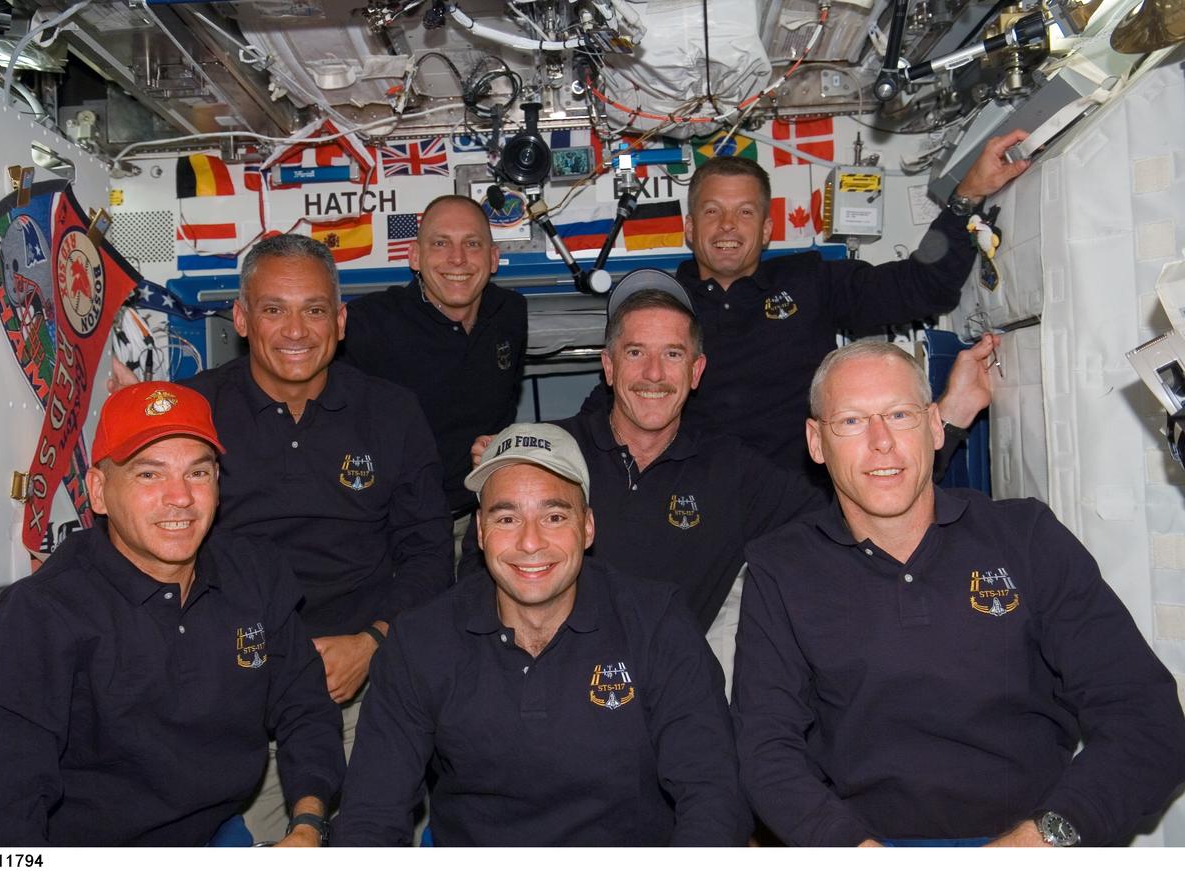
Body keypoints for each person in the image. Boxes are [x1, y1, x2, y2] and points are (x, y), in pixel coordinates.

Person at [731, 341, 1185, 846]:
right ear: (817, 442)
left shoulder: (1026, 537)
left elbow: (1146, 717)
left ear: (933, 425)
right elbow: (767, 750)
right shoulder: (782, 568)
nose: (881, 442)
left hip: (1033, 839)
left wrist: (1041, 840)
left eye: (899, 414)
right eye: (852, 422)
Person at [462, 270, 1000, 693]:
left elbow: (862, 499)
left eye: (672, 354)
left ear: (695, 372)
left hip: (657, 705)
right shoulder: (545, 454)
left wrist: (945, 418)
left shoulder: (733, 472)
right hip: (532, 685)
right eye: (635, 353)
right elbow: (475, 580)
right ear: (607, 366)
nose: (654, 374)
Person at [0, 382, 344, 846]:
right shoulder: (42, 615)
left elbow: (306, 706)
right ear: (99, 490)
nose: (180, 497)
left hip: (215, 831)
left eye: (198, 472)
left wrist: (308, 825)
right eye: (149, 475)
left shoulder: (254, 572)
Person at [332, 423, 746, 846]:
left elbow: (712, 791)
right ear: (479, 531)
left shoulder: (656, 623)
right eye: (507, 517)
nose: (531, 542)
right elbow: (371, 814)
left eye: (553, 516)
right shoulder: (421, 641)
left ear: (587, 527)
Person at [184, 233, 451, 840]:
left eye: (315, 309)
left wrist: (373, 641)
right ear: (242, 318)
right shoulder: (194, 411)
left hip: (363, 683)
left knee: (374, 834)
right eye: (274, 309)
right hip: (236, 691)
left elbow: (431, 556)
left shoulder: (392, 412)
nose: (296, 329)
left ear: (341, 319)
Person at [584, 131, 1030, 480]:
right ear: (689, 226)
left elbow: (920, 286)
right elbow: (603, 410)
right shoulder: (658, 310)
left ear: (766, 229)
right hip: (699, 518)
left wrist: (965, 200)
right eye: (712, 211)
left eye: (744, 213)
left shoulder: (809, 279)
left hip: (805, 512)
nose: (727, 226)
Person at [340, 195, 527, 563]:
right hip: (393, 531)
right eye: (440, 243)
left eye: (472, 244)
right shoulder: (368, 323)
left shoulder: (510, 314)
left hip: (477, 521)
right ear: (414, 257)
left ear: (492, 258)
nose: (457, 259)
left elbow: (504, 408)